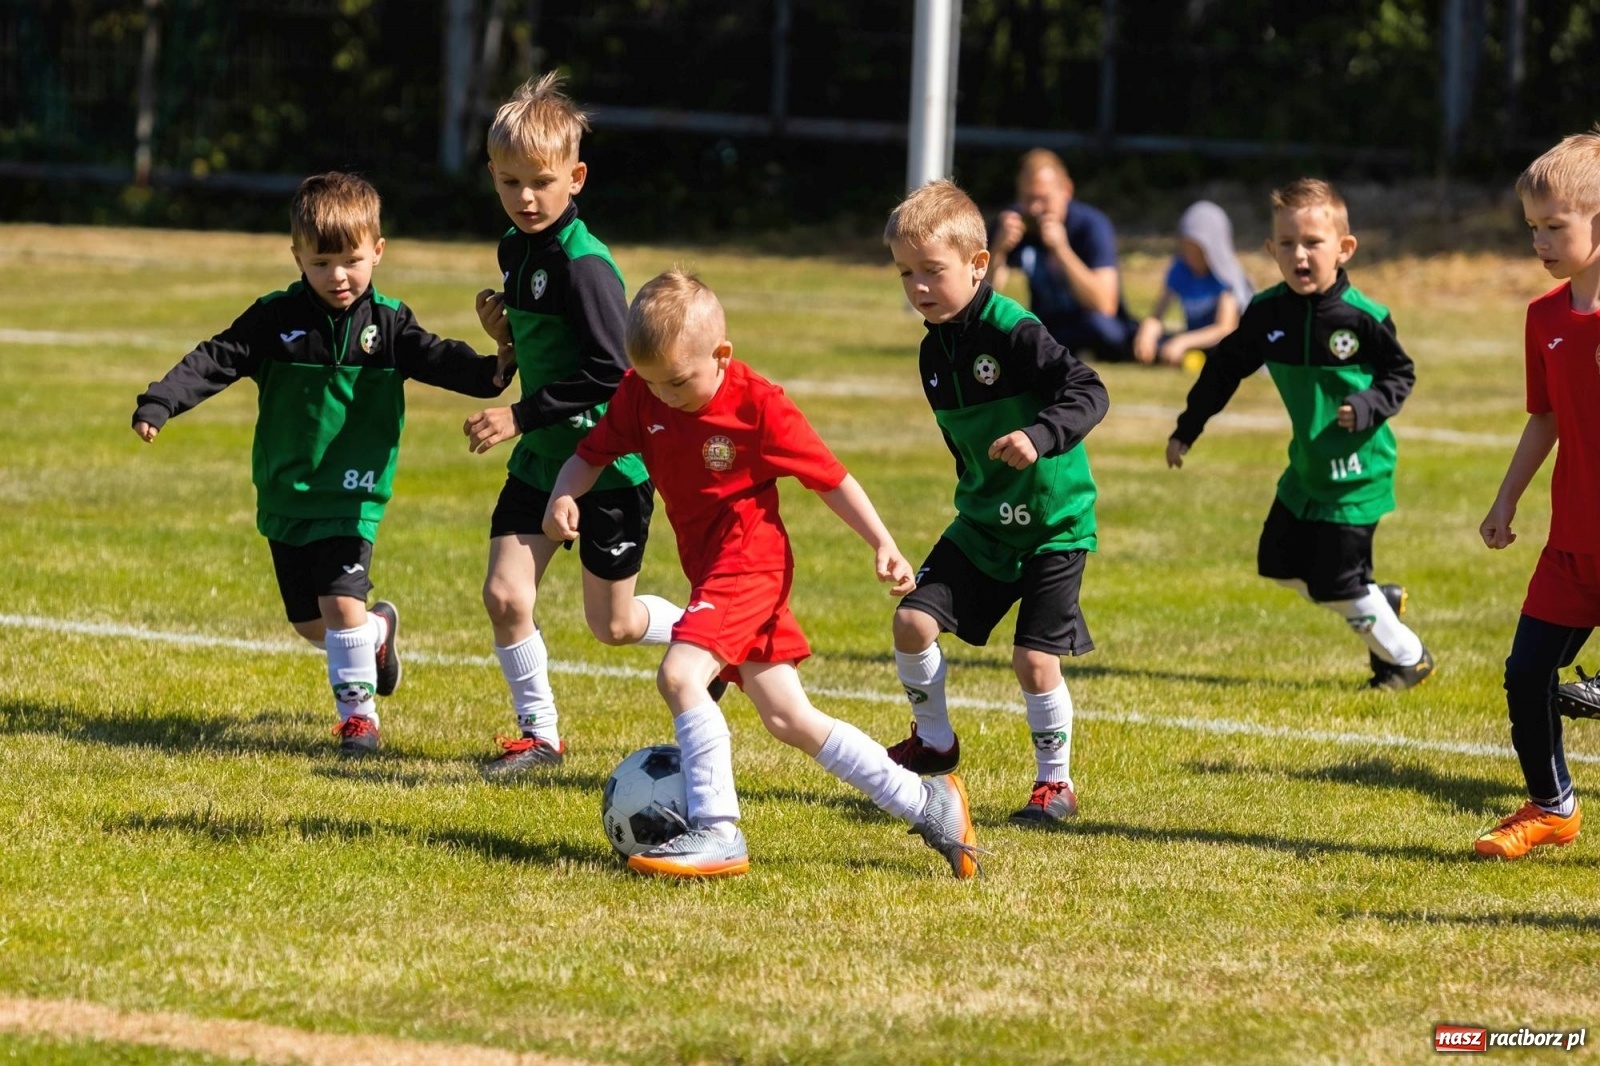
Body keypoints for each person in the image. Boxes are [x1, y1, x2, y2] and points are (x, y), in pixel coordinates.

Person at [542, 271, 981, 880]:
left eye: (676, 382)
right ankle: (927, 803)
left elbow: (831, 477)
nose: (662, 396)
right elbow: (590, 454)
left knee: (680, 675)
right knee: (788, 718)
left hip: (749, 566)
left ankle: (718, 831)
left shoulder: (758, 404)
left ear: (721, 356)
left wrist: (883, 542)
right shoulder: (642, 393)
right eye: (649, 382)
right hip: (711, 573)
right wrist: (564, 497)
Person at [131, 172, 510, 755]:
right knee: (315, 623)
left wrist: (491, 372)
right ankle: (377, 632)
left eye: (352, 260)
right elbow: (215, 359)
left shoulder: (387, 324)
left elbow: (439, 358)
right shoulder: (274, 319)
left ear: (378, 251)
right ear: (297, 257)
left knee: (339, 605)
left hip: (353, 493)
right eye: (321, 262)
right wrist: (161, 400)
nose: (338, 276)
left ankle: (358, 721)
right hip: (289, 492)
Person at [463, 73, 696, 778]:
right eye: (508, 183)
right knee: (505, 595)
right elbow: (545, 347)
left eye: (540, 182)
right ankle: (540, 737)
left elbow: (610, 372)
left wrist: (516, 414)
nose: (525, 198)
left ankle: (703, 631)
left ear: (576, 177)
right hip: (542, 458)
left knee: (614, 626)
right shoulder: (517, 249)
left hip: (606, 461)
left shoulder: (585, 266)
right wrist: (505, 340)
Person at [883, 178, 1108, 823]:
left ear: (979, 265)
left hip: (1052, 525)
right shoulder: (934, 351)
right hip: (983, 523)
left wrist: (1041, 436)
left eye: (933, 271)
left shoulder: (1015, 330)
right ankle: (933, 742)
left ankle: (1054, 786)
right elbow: (962, 445)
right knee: (912, 622)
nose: (919, 287)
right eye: (906, 273)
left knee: (1034, 659)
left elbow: (1089, 391)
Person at [1166, 178, 1434, 690]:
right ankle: (1377, 601)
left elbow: (1400, 375)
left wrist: (1368, 404)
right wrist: (1188, 428)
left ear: (1344, 248)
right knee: (1280, 565)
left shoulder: (1363, 319)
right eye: (1287, 244)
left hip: (1358, 474)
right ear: (1271, 250)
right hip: (1306, 470)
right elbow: (1224, 368)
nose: (1300, 254)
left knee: (1336, 585)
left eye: (1313, 242)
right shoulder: (1268, 313)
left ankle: (1408, 656)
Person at [1474, 128, 1600, 859]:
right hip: (1570, 542)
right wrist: (1505, 501)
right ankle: (1552, 806)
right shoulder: (1544, 319)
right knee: (1527, 674)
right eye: (1533, 228)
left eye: (1557, 226)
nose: (1541, 241)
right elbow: (1545, 416)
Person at [988, 148, 1138, 361]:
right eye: (1027, 198)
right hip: (1047, 325)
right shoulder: (1010, 225)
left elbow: (1105, 304)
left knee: (1099, 327)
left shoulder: (1091, 225)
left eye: (1043, 199)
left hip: (1093, 324)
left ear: (1066, 190)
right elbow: (981, 300)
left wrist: (1062, 250)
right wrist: (998, 250)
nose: (1034, 209)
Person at [1133, 200, 1253, 369]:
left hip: (1222, 344)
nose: (1191, 257)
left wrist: (1183, 342)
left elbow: (1225, 328)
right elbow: (1157, 314)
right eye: (1186, 249)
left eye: (1197, 250)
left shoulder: (1225, 277)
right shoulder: (1180, 270)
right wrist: (1147, 331)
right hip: (1194, 342)